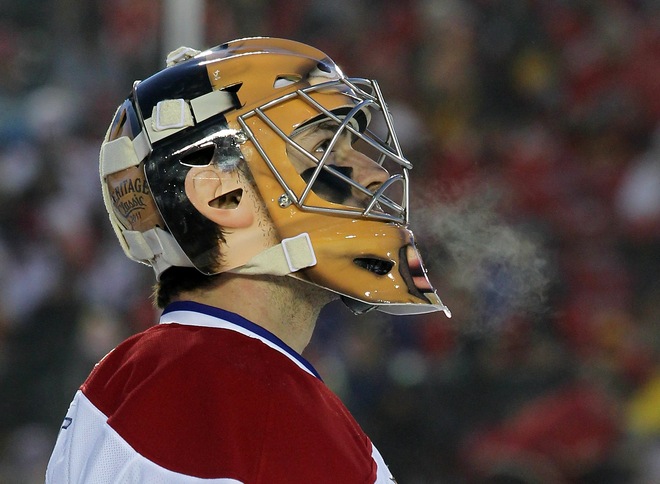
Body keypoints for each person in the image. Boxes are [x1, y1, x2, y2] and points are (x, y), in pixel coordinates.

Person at [45, 37, 450, 483]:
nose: (375, 173)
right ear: (222, 196)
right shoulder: (265, 413)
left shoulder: (119, 379)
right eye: (323, 150)